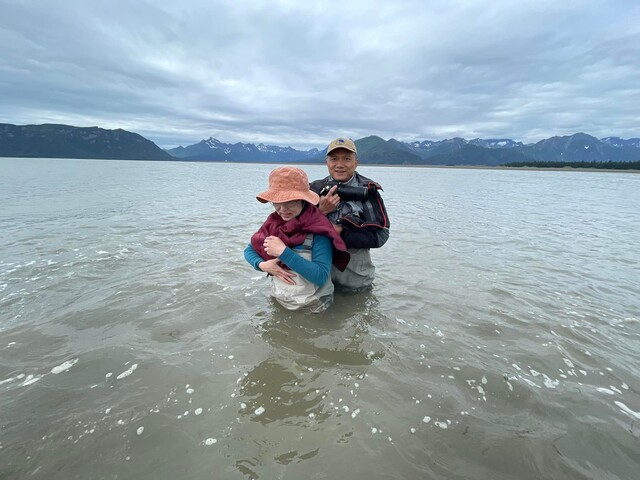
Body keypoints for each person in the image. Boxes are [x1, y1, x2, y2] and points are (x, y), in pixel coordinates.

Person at [244, 167, 350, 313]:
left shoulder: (318, 229)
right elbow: (249, 250)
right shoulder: (273, 223)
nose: (282, 209)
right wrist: (262, 265)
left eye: (290, 202)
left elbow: (321, 276)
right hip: (280, 299)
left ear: (303, 200)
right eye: (276, 203)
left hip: (314, 305)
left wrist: (283, 252)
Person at [310, 137, 390, 292]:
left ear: (356, 163)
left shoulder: (368, 190)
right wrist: (321, 212)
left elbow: (382, 235)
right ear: (327, 162)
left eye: (347, 159)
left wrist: (342, 233)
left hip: (355, 280)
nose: (340, 165)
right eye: (334, 159)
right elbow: (292, 227)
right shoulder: (313, 189)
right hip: (317, 280)